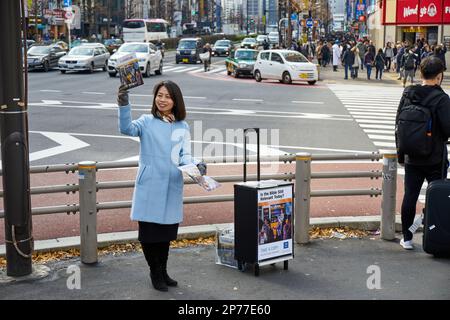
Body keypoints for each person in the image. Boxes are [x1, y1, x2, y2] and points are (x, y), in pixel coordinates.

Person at [117, 80, 207, 291]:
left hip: (171, 185)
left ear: (175, 101)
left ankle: (163, 271)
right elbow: (126, 129)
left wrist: (197, 165)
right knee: (149, 235)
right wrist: (123, 102)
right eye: (159, 95)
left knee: (165, 235)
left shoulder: (182, 126)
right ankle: (154, 272)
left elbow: (184, 156)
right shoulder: (146, 121)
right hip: (149, 185)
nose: (162, 100)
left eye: (167, 96)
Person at [395, 57, 450, 250]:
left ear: (420, 73)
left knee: (410, 195)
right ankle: (432, 232)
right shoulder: (442, 98)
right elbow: (448, 129)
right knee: (436, 196)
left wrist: (401, 154)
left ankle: (407, 238)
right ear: (439, 76)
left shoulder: (408, 92)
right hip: (435, 157)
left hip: (411, 155)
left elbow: (398, 125)